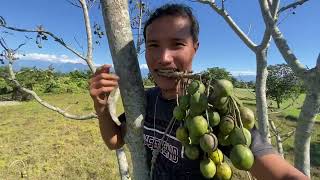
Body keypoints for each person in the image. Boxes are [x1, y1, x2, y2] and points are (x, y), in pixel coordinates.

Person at [89, 3, 308, 180]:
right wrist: (101, 106)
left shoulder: (214, 110)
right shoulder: (146, 99)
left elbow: (280, 173)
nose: (164, 57)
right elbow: (115, 141)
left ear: (195, 47)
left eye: (176, 44)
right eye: (153, 45)